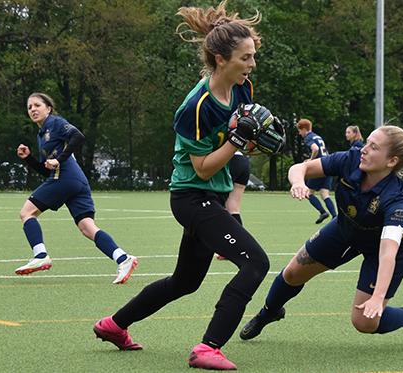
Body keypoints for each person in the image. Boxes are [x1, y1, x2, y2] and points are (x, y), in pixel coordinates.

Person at [93, 2, 271, 370]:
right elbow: (204, 168)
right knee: (255, 264)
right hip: (192, 198)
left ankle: (113, 325)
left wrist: (251, 140)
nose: (252, 64)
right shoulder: (194, 107)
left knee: (185, 281)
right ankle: (208, 348)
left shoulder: (242, 87)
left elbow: (234, 140)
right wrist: (239, 141)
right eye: (246, 57)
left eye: (253, 56)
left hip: (213, 197)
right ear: (221, 59)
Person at [239, 106, 403, 343]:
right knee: (292, 273)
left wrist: (378, 297)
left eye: (374, 147)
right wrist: (298, 182)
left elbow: (387, 253)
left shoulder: (395, 199)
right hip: (345, 228)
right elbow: (299, 168)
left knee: (364, 321)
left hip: (380, 248)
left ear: (391, 161)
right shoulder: (351, 159)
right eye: (367, 143)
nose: (364, 149)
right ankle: (268, 313)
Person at [15, 92, 138, 285]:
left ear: (48, 108)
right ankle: (123, 259)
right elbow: (46, 169)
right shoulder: (42, 135)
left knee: (26, 213)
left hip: (66, 178)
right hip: (75, 181)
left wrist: (58, 159)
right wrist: (28, 158)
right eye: (29, 107)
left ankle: (40, 255)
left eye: (37, 105)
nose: (33, 109)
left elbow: (78, 136)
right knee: (87, 228)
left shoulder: (55, 123)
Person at [296, 118, 337, 224]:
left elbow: (315, 149)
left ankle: (323, 212)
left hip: (320, 167)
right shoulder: (317, 136)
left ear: (304, 129)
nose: (299, 133)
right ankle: (335, 216)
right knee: (324, 194)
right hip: (328, 166)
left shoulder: (308, 137)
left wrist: (310, 160)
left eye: (299, 130)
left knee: (309, 193)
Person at [217, 151, 250, 261]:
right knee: (233, 206)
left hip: (229, 160)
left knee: (216, 204)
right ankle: (239, 248)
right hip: (242, 161)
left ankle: (226, 248)